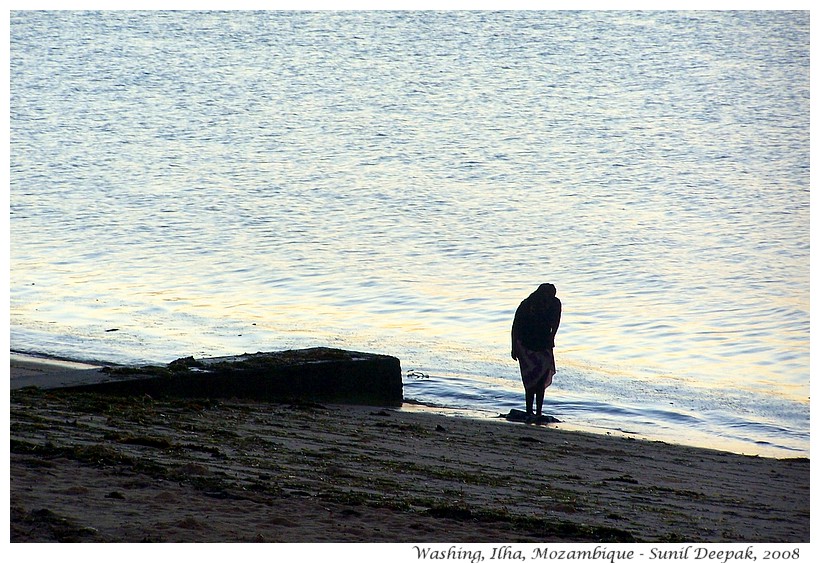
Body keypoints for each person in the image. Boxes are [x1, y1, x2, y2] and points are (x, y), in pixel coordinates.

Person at [511, 283, 562, 419]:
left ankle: (536, 411)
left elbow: (556, 323)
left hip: (540, 345)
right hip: (527, 346)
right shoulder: (527, 305)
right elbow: (516, 326)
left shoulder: (553, 304)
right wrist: (513, 347)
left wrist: (552, 337)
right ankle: (532, 411)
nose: (551, 297)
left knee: (537, 380)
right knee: (532, 381)